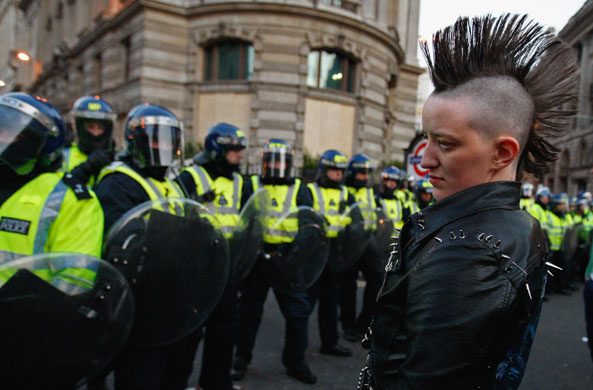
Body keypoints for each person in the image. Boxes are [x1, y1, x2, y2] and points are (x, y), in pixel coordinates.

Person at [361, 14, 577, 389]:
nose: (425, 159)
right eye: (426, 138)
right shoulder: (508, 226)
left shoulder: (468, 252)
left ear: (502, 153)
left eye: (445, 143)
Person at [0, 92, 105, 388]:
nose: (3, 138)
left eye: (13, 132)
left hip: (26, 338)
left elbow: (76, 280)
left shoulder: (70, 199)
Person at [93, 102, 186, 390]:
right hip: (136, 298)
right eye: (155, 139)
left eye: (169, 140)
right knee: (139, 374)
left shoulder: (172, 181)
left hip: (168, 295)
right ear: (136, 142)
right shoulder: (118, 182)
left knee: (170, 371)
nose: (163, 147)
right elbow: (121, 240)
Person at [231, 139, 317, 384]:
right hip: (258, 259)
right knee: (248, 313)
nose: (276, 166)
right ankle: (241, 358)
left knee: (298, 314)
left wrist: (296, 253)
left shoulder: (301, 189)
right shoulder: (252, 185)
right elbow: (243, 221)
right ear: (263, 163)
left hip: (286, 260)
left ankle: (295, 361)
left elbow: (309, 225)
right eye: (271, 161)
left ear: (290, 164)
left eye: (281, 162)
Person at [175, 122, 247, 390]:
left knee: (225, 330)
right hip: (197, 268)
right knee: (189, 334)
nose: (240, 155)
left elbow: (248, 222)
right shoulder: (190, 177)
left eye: (241, 150)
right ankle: (177, 383)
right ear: (218, 149)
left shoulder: (240, 181)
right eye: (234, 150)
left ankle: (216, 382)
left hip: (227, 267)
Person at [307, 149, 355, 358]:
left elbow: (356, 223)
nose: (337, 174)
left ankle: (330, 343)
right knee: (304, 303)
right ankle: (296, 350)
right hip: (314, 252)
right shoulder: (309, 190)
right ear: (324, 170)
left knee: (330, 302)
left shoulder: (347, 194)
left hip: (335, 253)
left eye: (340, 171)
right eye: (333, 170)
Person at [340, 153, 383, 342]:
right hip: (349, 245)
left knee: (377, 281)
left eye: (367, 174)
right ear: (352, 173)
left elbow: (379, 214)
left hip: (368, 244)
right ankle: (348, 325)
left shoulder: (371, 193)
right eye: (361, 174)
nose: (365, 178)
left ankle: (364, 322)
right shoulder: (342, 192)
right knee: (347, 288)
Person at [62, 95, 116, 186]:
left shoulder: (114, 157)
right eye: (91, 127)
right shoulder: (64, 155)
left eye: (100, 128)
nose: (96, 133)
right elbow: (57, 189)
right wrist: (86, 168)